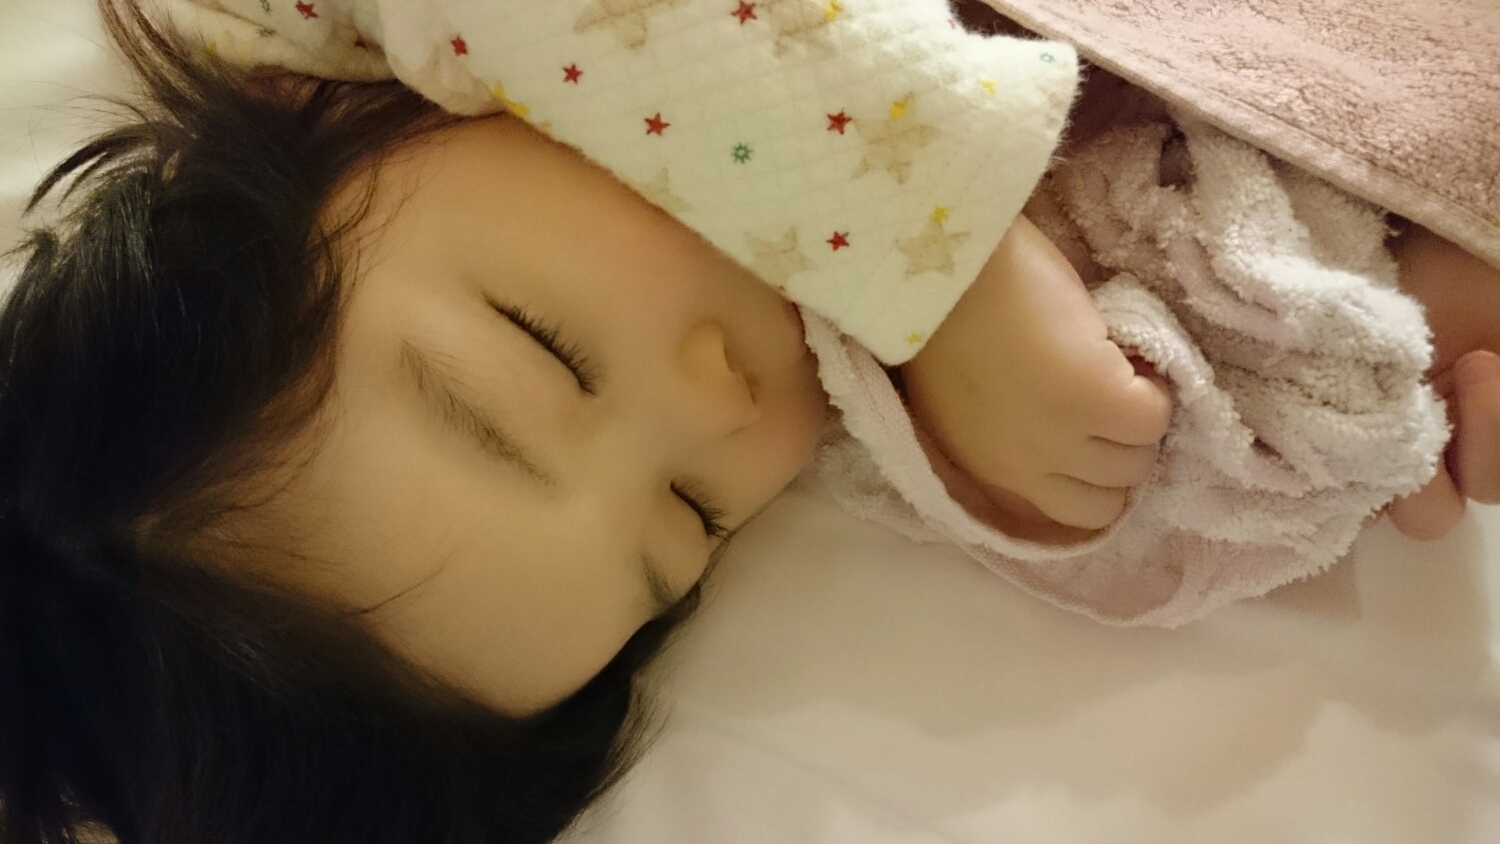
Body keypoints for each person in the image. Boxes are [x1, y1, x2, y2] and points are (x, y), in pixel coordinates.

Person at [2, 1, 1496, 842]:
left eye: (546, 356)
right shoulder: (839, 350)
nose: (722, 404)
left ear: (307, 136)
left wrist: (941, 249)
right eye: (689, 519)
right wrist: (1380, 366)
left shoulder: (316, 28)